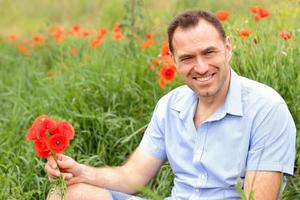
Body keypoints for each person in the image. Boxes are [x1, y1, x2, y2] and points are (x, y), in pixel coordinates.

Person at [45, 9, 296, 200]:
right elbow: (132, 177)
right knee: (66, 194)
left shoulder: (266, 109)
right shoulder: (170, 105)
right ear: (173, 60)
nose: (200, 67)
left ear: (228, 48)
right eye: (187, 58)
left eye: (209, 53)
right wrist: (81, 172)